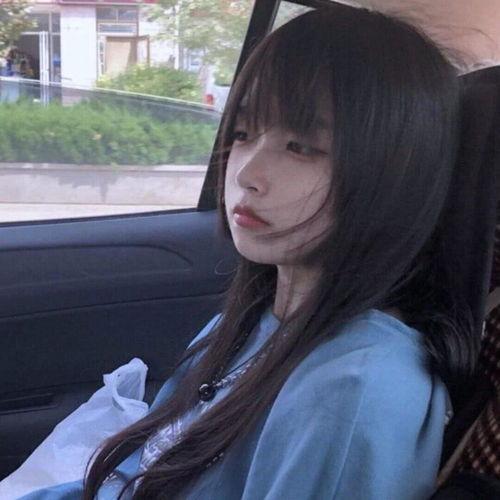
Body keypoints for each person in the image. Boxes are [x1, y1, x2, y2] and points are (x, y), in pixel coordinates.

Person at [21, 6, 477, 500]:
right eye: (243, 134)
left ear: (393, 173)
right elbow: (140, 474)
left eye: (300, 146)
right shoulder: (250, 322)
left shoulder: (355, 389)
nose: (245, 173)